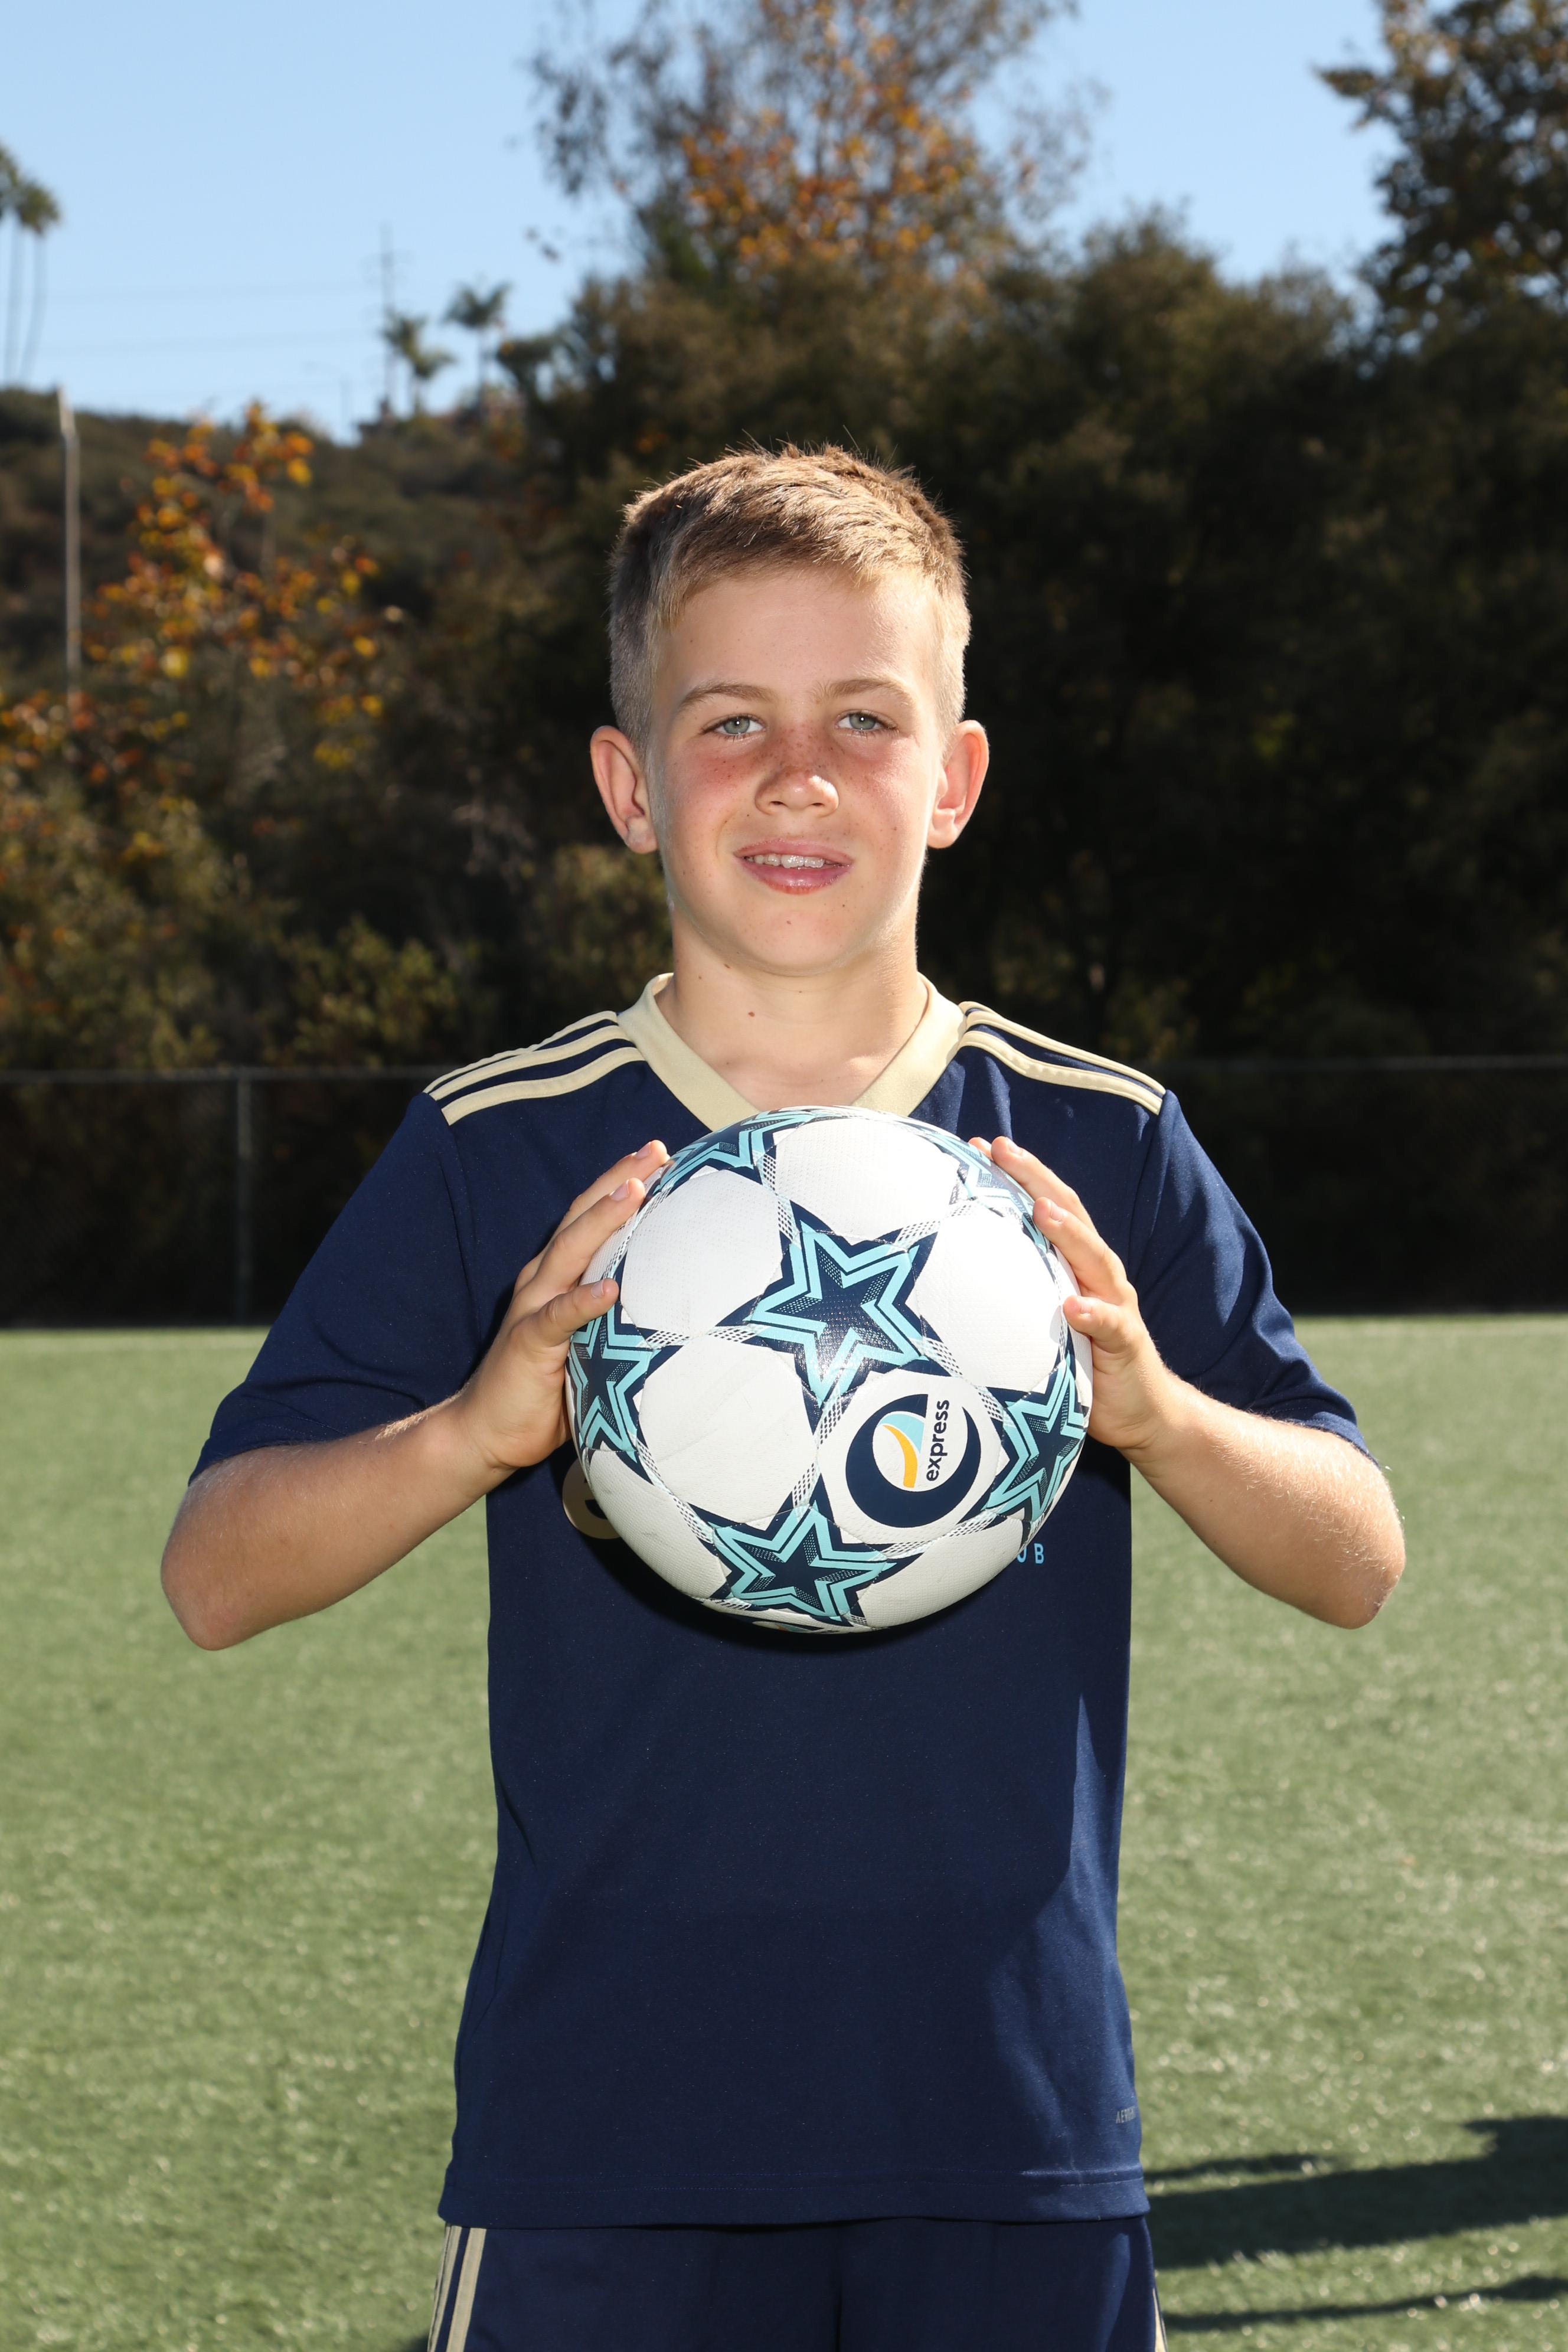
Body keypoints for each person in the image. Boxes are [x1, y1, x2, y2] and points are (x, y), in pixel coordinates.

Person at [162, 447, 1404, 2352]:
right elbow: (215, 1575)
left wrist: (1158, 1410)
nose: (799, 775)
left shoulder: (1101, 1141)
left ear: (956, 779)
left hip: (1012, 2130)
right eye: (730, 720)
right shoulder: (497, 1148)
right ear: (629, 784)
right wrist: (478, 1429)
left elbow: (1357, 1557)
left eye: (863, 721)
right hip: (604, 2140)